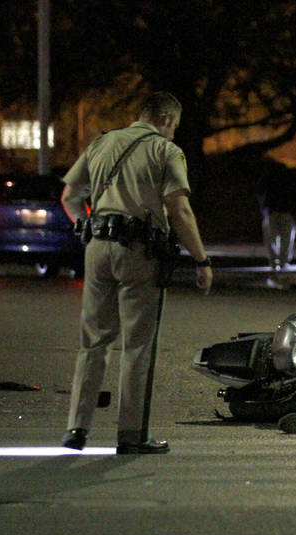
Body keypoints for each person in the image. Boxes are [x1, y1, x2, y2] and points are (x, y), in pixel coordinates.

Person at [59, 91, 213, 455]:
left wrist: (87, 225)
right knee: (138, 346)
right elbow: (179, 208)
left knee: (94, 341)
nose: (173, 133)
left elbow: (69, 195)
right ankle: (132, 435)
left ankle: (76, 429)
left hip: (97, 249)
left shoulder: (101, 143)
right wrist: (202, 260)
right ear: (164, 119)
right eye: (173, 126)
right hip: (140, 252)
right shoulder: (165, 151)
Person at [258, 163, 296, 271]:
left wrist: (264, 209)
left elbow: (261, 194)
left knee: (272, 238)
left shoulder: (267, 178)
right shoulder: (288, 179)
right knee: (285, 238)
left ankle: (275, 261)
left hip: (274, 211)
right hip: (281, 211)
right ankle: (282, 260)